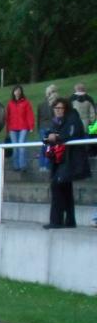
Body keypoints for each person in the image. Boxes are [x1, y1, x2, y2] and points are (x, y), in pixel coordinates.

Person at [43, 97, 91, 229]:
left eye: (60, 108)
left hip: (70, 159)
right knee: (65, 188)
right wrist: (49, 138)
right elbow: (49, 136)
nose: (57, 111)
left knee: (57, 186)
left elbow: (71, 134)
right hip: (61, 159)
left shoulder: (72, 119)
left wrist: (56, 137)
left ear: (66, 108)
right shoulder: (57, 122)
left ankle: (56, 221)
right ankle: (70, 221)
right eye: (56, 108)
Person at [5, 85, 35, 171]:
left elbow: (29, 114)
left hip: (23, 127)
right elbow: (7, 117)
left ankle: (23, 165)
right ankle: (16, 166)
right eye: (16, 91)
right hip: (12, 128)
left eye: (19, 90)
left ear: (21, 92)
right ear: (13, 92)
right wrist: (7, 128)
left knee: (21, 146)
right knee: (15, 147)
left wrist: (31, 126)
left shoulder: (26, 102)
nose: (17, 92)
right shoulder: (10, 103)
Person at [36, 84, 59, 172]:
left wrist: (39, 128)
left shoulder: (41, 104)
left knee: (44, 146)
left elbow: (39, 118)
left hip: (42, 127)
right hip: (50, 127)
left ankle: (41, 165)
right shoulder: (54, 104)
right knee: (49, 147)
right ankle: (47, 165)